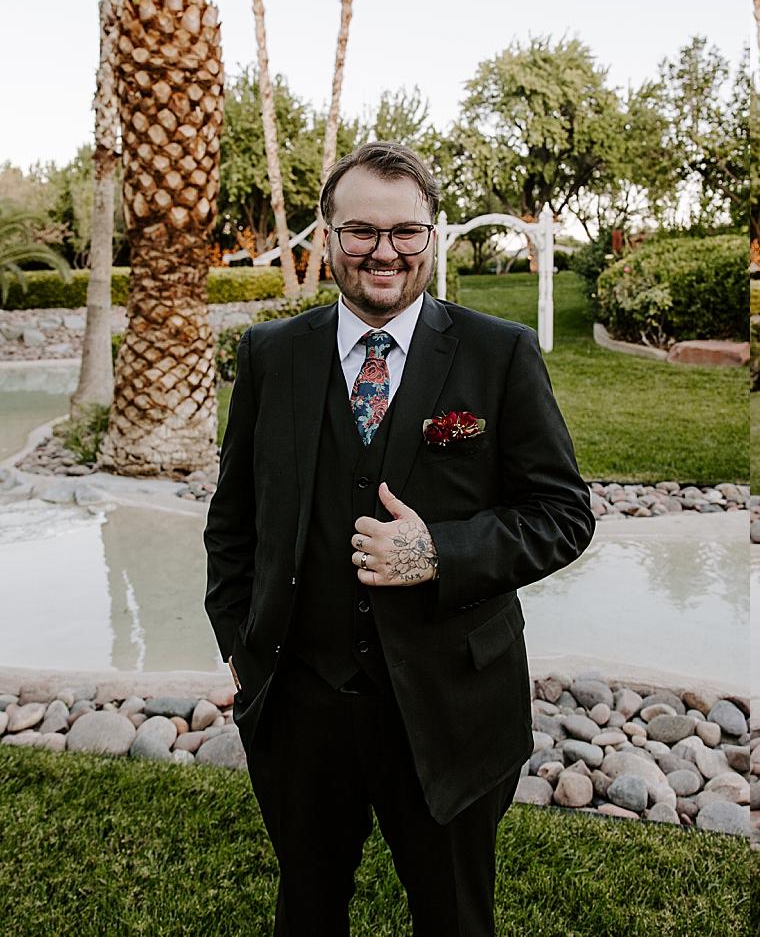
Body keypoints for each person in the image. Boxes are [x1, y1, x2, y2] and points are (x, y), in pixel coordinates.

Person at [205, 141, 595, 935]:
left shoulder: (499, 353)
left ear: (432, 235)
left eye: (405, 231)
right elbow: (232, 524)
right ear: (328, 238)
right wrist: (245, 654)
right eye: (360, 231)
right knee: (307, 911)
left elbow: (564, 513)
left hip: (453, 708)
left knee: (454, 918)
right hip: (305, 714)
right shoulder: (271, 355)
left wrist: (438, 553)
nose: (384, 251)